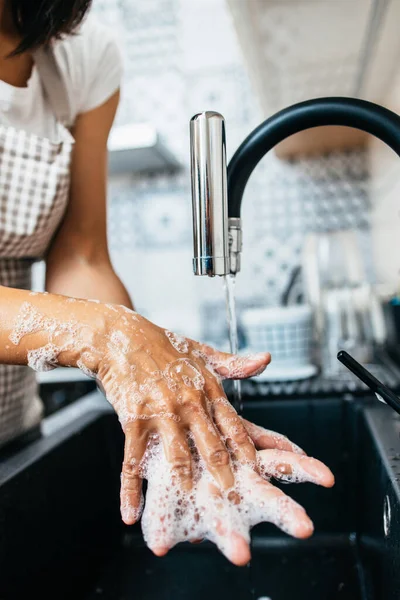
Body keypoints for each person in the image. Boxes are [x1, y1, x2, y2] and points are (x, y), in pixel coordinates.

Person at [0, 0, 334, 566]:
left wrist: (164, 407)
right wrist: (108, 337)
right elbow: (96, 326)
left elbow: (80, 254)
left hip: (15, 438)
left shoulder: (81, 54)